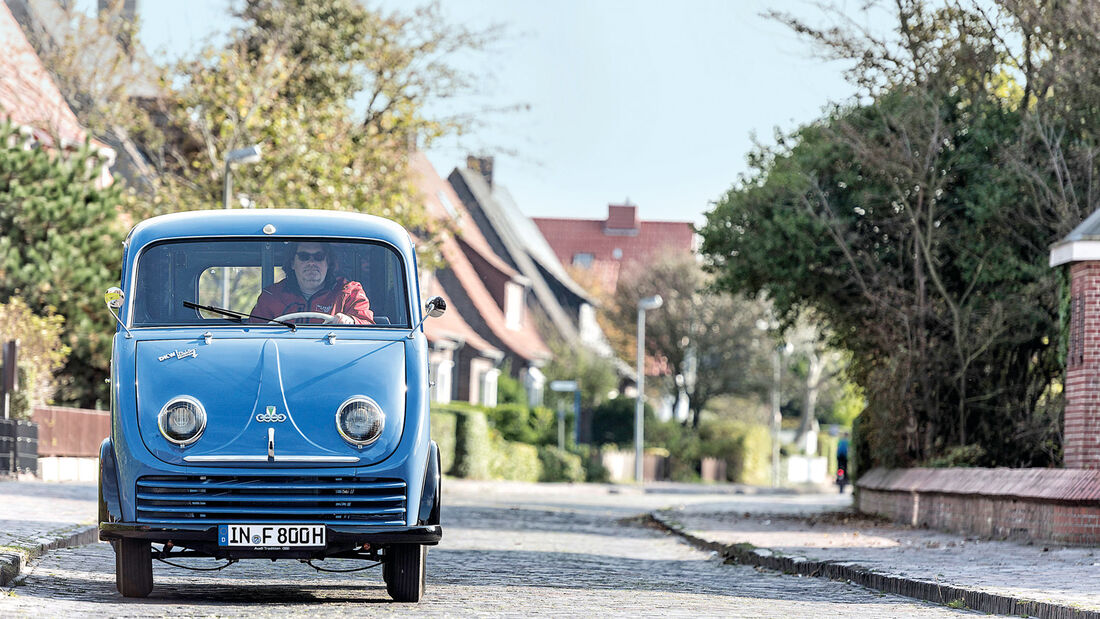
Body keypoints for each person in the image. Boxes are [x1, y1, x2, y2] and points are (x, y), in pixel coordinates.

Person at [249, 242, 374, 324]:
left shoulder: (348, 292)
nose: (311, 263)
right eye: (304, 257)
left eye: (319, 257)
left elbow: (367, 325)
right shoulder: (271, 296)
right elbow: (253, 335)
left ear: (328, 262)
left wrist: (350, 320)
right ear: (292, 263)